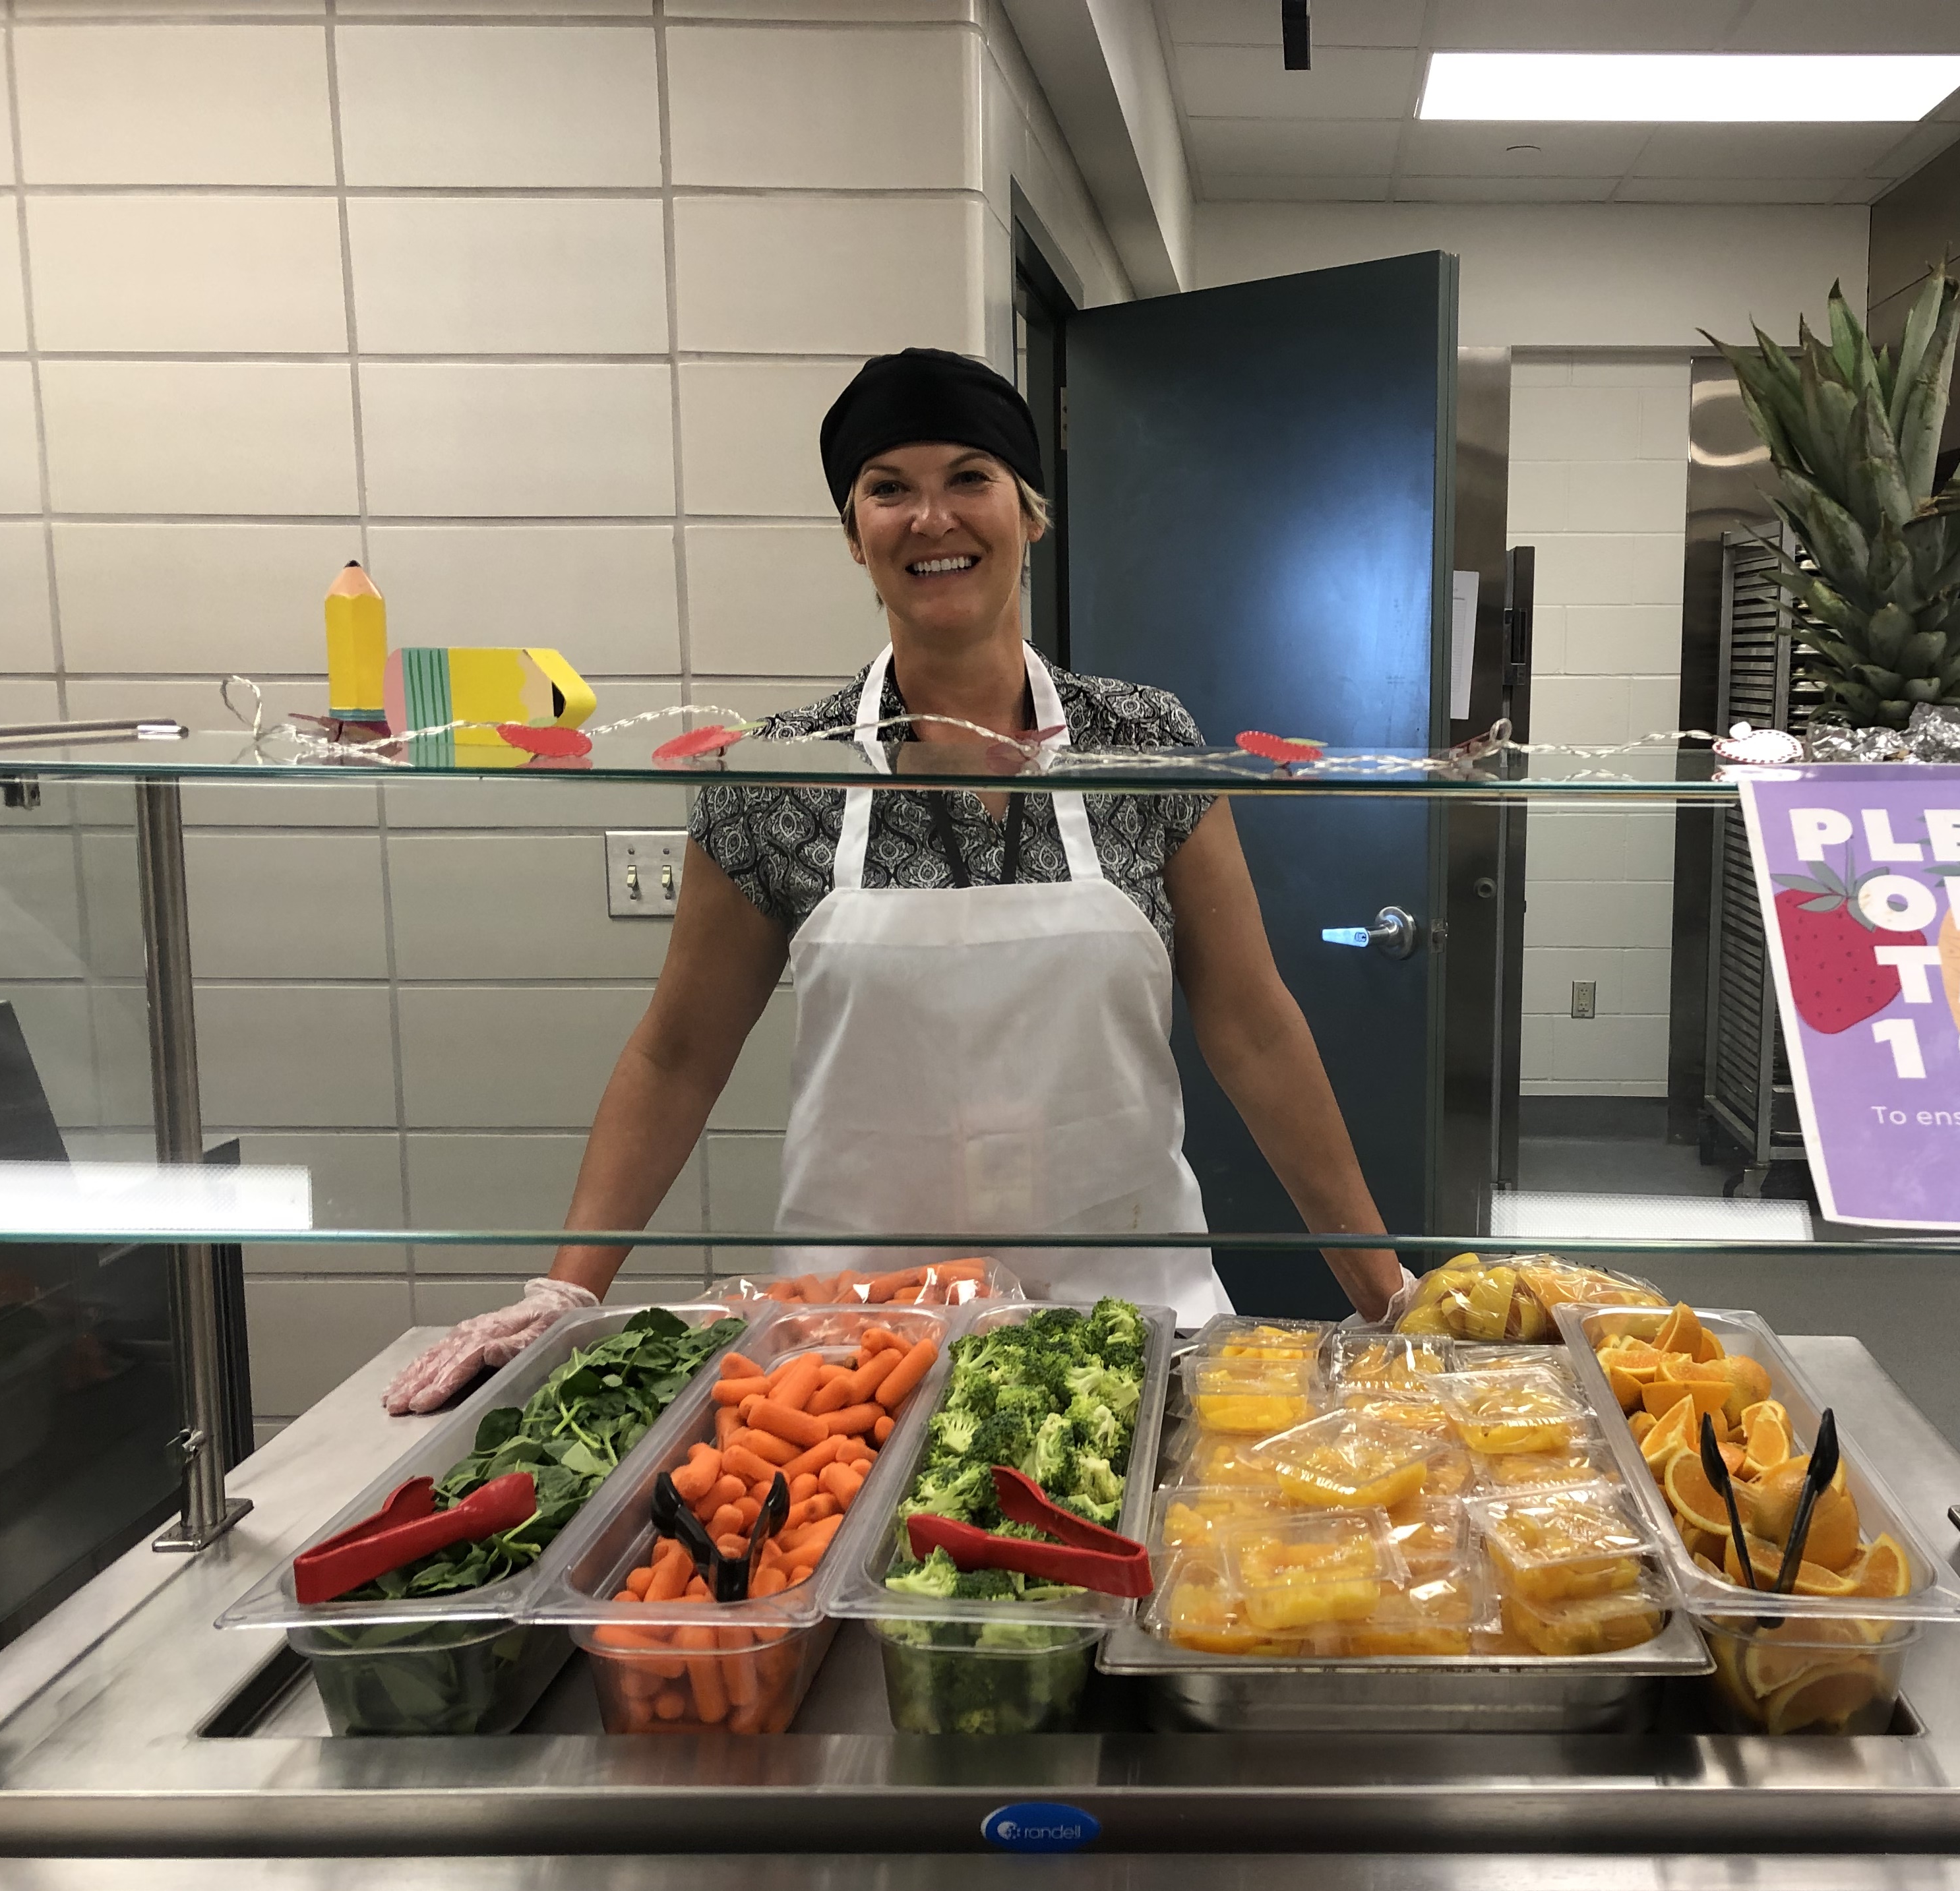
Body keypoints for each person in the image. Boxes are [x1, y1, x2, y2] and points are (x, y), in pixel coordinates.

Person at [385, 348, 1399, 1414]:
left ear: (1031, 513)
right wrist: (565, 1289)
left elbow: (1253, 1028)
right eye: (889, 489)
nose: (932, 519)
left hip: (1133, 1323)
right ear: (852, 533)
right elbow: (678, 1055)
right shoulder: (782, 768)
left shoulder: (1142, 744)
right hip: (854, 1347)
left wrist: (1384, 1296)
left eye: (970, 477)